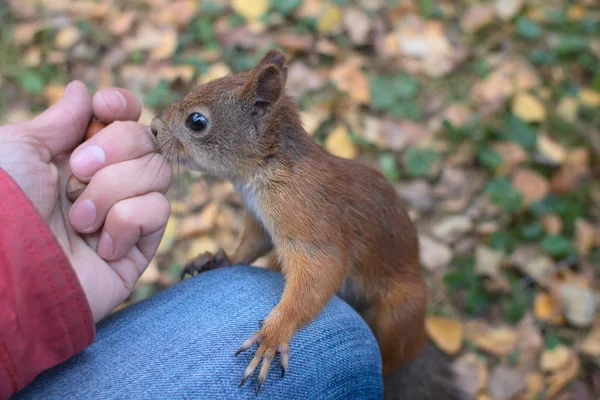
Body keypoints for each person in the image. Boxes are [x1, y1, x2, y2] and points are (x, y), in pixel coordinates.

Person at [0, 81, 383, 399]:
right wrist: (237, 257)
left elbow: (321, 262)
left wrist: (278, 328)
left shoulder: (290, 187)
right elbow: (264, 229)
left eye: (196, 123)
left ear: (258, 119)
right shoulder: (261, 185)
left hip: (378, 287)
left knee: (381, 321)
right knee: (339, 340)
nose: (159, 131)